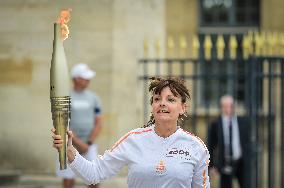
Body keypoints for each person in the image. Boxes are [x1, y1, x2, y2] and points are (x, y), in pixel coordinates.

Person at [52, 77, 210, 188]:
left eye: (170, 99)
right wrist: (70, 151)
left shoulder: (196, 147)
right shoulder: (133, 140)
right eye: (157, 99)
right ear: (152, 106)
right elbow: (94, 173)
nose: (162, 103)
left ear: (183, 108)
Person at [56, 63, 102, 188]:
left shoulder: (94, 98)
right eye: (85, 77)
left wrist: (89, 142)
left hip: (89, 145)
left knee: (93, 179)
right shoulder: (65, 98)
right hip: (69, 145)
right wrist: (76, 142)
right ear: (76, 78)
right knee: (68, 180)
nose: (88, 80)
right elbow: (62, 123)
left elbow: (98, 122)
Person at [207, 95, 250, 188]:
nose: (228, 108)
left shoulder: (242, 121)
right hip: (225, 162)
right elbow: (211, 146)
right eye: (225, 106)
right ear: (221, 107)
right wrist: (211, 165)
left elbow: (247, 142)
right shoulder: (216, 124)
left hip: (240, 161)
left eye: (230, 106)